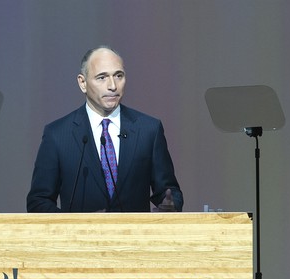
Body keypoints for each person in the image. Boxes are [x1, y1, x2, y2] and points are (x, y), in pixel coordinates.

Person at [27, 46, 183, 213]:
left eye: (118, 76)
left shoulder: (148, 130)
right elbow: (39, 202)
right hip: (81, 238)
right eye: (102, 77)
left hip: (134, 237)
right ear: (83, 83)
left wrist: (170, 206)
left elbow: (169, 191)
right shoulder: (57, 135)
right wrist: (79, 225)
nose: (112, 86)